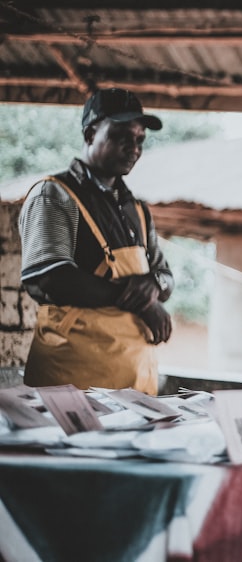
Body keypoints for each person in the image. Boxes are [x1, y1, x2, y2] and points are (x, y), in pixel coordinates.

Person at [18, 88, 173, 395]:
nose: (134, 148)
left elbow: (165, 275)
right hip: (71, 379)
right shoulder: (55, 195)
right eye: (121, 136)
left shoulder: (136, 208)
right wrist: (142, 303)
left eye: (139, 139)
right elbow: (51, 277)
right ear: (90, 134)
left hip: (134, 382)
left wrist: (155, 286)